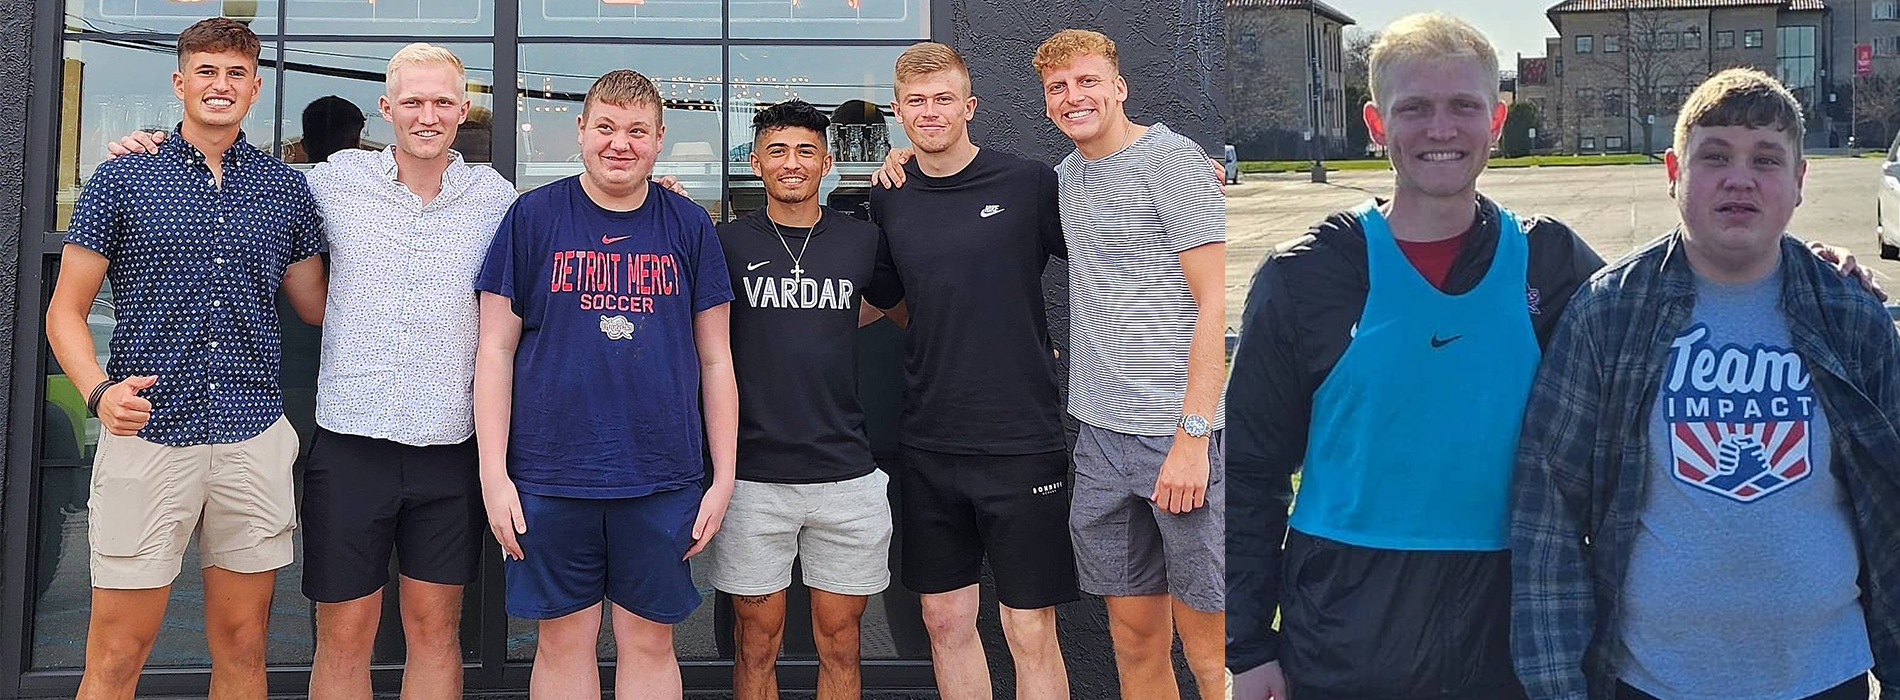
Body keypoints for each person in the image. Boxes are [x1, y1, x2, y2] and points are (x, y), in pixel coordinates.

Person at [1228, 15, 1880, 700]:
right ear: (1375, 121)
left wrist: (1818, 270)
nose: (1441, 129)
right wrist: (1247, 648)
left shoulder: (1552, 262)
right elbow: (1246, 471)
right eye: (1414, 108)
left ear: (1497, 118)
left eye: (1463, 107)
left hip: (1507, 636)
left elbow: (1681, 274)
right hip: (1345, 638)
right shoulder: (1305, 276)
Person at [1510, 67, 1898, 700]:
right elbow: (1547, 518)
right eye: (1713, 155)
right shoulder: (1609, 314)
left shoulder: (1850, 316)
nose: (1739, 176)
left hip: (1825, 674)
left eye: (1766, 159)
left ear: (1799, 183)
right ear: (1673, 173)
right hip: (1653, 680)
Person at [45, 17, 325, 700]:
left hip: (252, 436)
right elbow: (65, 310)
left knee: (244, 646)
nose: (220, 85)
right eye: (206, 71)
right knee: (117, 652)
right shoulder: (124, 177)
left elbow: (319, 305)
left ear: (256, 89)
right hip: (147, 435)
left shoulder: (286, 191)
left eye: (235, 74)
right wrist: (97, 391)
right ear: (180, 81)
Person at [472, 68, 737, 700]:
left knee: (649, 641)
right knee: (562, 642)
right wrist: (493, 473)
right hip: (549, 472)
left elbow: (717, 359)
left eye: (637, 131)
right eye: (607, 128)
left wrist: (721, 475)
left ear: (660, 138)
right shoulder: (533, 217)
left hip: (662, 473)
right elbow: (494, 348)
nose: (621, 143)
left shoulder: (689, 225)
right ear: (581, 130)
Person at [870, 42, 1076, 700]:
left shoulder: (1028, 183)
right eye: (916, 102)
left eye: (943, 99)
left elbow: (1109, 251)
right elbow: (891, 298)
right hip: (930, 439)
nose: (930, 113)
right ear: (898, 111)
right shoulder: (889, 196)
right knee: (944, 619)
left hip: (1020, 439)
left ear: (969, 106)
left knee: (1029, 626)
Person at [1033, 29, 1226, 700]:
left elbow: (1213, 303)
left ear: (1119, 86)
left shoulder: (1170, 161)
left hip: (1177, 435)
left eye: (1087, 81)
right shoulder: (1063, 179)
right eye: (1058, 87)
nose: (1073, 97)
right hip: (1100, 439)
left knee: (1211, 652)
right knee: (1135, 639)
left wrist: (1193, 438)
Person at [711, 99, 906, 700]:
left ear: (825, 162)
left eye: (804, 151)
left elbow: (904, 309)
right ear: (756, 162)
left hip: (845, 472)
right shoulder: (725, 241)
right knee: (756, 641)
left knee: (842, 640)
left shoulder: (861, 238)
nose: (791, 163)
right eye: (776, 151)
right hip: (753, 475)